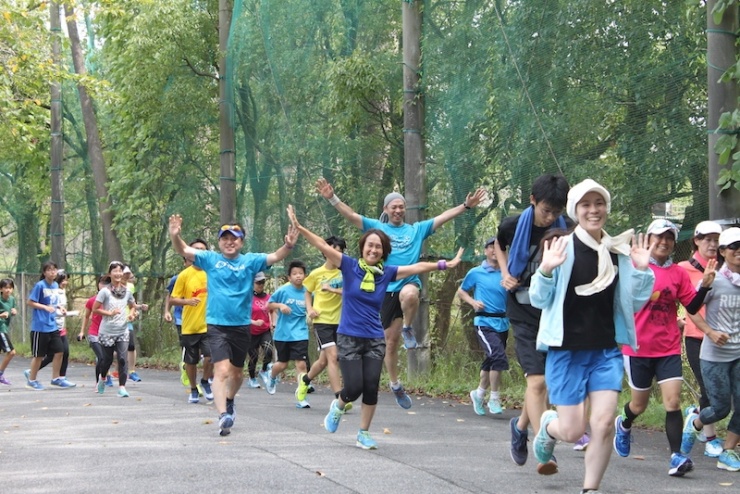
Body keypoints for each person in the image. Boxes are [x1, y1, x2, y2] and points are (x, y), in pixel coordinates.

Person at [287, 204, 464, 449]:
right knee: (354, 387)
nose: (373, 249)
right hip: (349, 336)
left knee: (371, 387)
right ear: (363, 248)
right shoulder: (349, 266)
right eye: (370, 245)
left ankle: (363, 433)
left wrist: (445, 264)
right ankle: (338, 406)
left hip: (374, 338)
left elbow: (416, 268)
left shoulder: (386, 273)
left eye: (378, 246)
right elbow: (323, 246)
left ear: (383, 252)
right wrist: (300, 227)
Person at [528, 179, 655, 493]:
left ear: (606, 208)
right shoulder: (561, 247)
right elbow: (538, 300)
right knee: (572, 432)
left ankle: (590, 489)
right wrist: (545, 270)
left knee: (604, 424)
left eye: (599, 203)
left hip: (605, 352)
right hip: (566, 351)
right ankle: (548, 426)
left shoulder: (617, 252)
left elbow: (632, 304)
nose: (593, 210)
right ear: (575, 211)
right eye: (586, 204)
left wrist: (641, 270)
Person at [317, 177, 486, 410]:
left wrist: (466, 206)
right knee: (389, 343)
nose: (398, 210)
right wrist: (332, 198)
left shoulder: (416, 230)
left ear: (405, 209)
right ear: (386, 209)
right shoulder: (378, 229)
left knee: (410, 294)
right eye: (394, 207)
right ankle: (395, 384)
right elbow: (352, 216)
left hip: (407, 284)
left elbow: (443, 217)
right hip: (384, 290)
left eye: (401, 206)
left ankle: (408, 327)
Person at [168, 214, 298, 436]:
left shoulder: (250, 261)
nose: (229, 242)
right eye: (225, 238)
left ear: (241, 242)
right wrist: (175, 235)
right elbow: (184, 250)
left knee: (237, 374)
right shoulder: (210, 259)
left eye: (234, 238)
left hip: (241, 327)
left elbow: (276, 256)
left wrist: (288, 245)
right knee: (221, 370)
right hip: (217, 326)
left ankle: (229, 401)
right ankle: (222, 416)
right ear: (219, 241)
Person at [613, 219, 714, 477]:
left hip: (668, 347)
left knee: (673, 401)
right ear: (649, 239)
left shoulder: (678, 273)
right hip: (637, 347)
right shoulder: (634, 265)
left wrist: (705, 286)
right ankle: (624, 424)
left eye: (669, 238)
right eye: (659, 236)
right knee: (638, 405)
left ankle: (676, 456)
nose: (664, 242)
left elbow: (692, 306)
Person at [493, 173, 570, 473]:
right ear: (533, 200)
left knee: (545, 382)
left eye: (556, 212)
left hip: (552, 312)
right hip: (522, 310)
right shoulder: (512, 225)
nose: (550, 218)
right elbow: (499, 244)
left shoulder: (568, 229)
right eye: (546, 211)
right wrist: (505, 273)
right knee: (537, 381)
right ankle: (544, 448)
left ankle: (520, 425)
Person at [681, 227, 740, 472]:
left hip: (738, 353)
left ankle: (728, 451)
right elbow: (691, 308)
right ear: (723, 252)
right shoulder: (713, 279)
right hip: (714, 355)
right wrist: (710, 332)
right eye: (734, 246)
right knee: (720, 408)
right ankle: (695, 422)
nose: (739, 251)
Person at [677, 220, 725, 457]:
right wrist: (675, 320)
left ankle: (697, 413)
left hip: (725, 340)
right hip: (697, 338)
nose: (712, 244)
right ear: (696, 241)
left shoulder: (728, 268)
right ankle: (710, 440)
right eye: (707, 240)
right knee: (709, 389)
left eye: (717, 240)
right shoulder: (683, 268)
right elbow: (665, 295)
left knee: (725, 391)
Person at [456, 236, 509, 416]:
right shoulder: (476, 272)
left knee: (491, 361)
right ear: (485, 251)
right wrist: (473, 302)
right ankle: (494, 398)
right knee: (498, 357)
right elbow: (461, 291)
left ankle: (478, 394)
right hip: (484, 322)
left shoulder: (507, 272)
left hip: (502, 322)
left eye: (499, 248)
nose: (495, 250)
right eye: (491, 247)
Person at [296, 236, 348, 408]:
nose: (336, 255)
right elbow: (307, 291)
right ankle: (340, 398)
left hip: (340, 321)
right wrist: (310, 309)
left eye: (340, 252)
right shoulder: (316, 274)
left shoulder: (345, 272)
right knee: (334, 357)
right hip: (322, 320)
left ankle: (305, 380)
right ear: (325, 252)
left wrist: (332, 289)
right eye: (333, 251)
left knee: (323, 361)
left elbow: (350, 292)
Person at [170, 239, 214, 404]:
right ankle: (194, 389)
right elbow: (173, 299)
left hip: (209, 324)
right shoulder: (184, 275)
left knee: (211, 356)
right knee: (191, 361)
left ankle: (205, 381)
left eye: (202, 249)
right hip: (190, 326)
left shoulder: (212, 272)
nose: (199, 252)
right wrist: (187, 301)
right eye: (196, 249)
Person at [263, 260, 310, 407]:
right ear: (289, 277)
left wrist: (312, 313)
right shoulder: (283, 290)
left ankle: (301, 397)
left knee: (301, 364)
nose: (298, 276)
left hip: (301, 333)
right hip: (283, 334)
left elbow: (312, 307)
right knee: (282, 364)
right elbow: (268, 305)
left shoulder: (308, 292)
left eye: (300, 273)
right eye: (294, 273)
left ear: (305, 276)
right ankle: (271, 374)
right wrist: (280, 305)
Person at [93, 261, 138, 397]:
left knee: (123, 359)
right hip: (107, 331)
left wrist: (131, 315)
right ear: (110, 274)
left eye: (120, 271)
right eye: (115, 271)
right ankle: (102, 378)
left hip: (123, 330)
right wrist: (109, 313)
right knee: (106, 360)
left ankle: (122, 388)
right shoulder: (104, 292)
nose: (118, 274)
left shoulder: (127, 291)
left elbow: (133, 306)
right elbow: (95, 309)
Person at [25, 261, 71, 390]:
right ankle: (32, 380)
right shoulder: (40, 285)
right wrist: (45, 307)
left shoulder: (55, 285)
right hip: (40, 327)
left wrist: (60, 307)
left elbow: (54, 302)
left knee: (59, 351)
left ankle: (56, 378)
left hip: (53, 325)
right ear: (44, 272)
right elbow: (30, 302)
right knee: (39, 355)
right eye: (49, 270)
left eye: (54, 269)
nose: (52, 272)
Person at [38, 270, 76, 387]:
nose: (65, 282)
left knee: (63, 352)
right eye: (63, 280)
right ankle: (35, 372)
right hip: (52, 327)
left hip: (61, 327)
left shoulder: (62, 292)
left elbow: (59, 309)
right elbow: (52, 310)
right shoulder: (53, 292)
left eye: (66, 280)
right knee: (55, 353)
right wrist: (69, 314)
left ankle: (60, 377)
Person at [79, 275, 112, 386]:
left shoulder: (113, 300)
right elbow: (86, 317)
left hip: (107, 333)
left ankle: (106, 376)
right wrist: (82, 331)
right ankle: (99, 382)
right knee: (101, 357)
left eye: (107, 283)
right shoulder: (92, 300)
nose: (104, 285)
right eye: (102, 283)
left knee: (108, 358)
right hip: (94, 333)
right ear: (98, 285)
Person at [247, 272, 273, 389]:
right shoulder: (247, 298)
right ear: (252, 283)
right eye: (258, 282)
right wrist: (254, 322)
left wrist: (273, 322)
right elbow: (241, 316)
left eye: (262, 282)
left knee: (269, 351)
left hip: (264, 330)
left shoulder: (268, 298)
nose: (260, 285)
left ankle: (263, 370)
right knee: (254, 357)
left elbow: (272, 311)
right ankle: (252, 378)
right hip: (251, 332)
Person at [123, 266, 147, 382]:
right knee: (114, 349)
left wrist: (138, 309)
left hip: (127, 321)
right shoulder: (111, 287)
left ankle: (132, 371)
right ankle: (107, 372)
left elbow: (131, 304)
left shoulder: (130, 287)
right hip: (114, 321)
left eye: (130, 275)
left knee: (131, 346)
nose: (130, 277)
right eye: (127, 274)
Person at [0, 278, 18, 385]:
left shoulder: (12, 299)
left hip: (5, 328)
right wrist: (1, 315)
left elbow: (13, 310)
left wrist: (14, 311)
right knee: (11, 352)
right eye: (5, 288)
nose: (8, 290)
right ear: (1, 289)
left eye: (10, 288)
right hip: (1, 329)